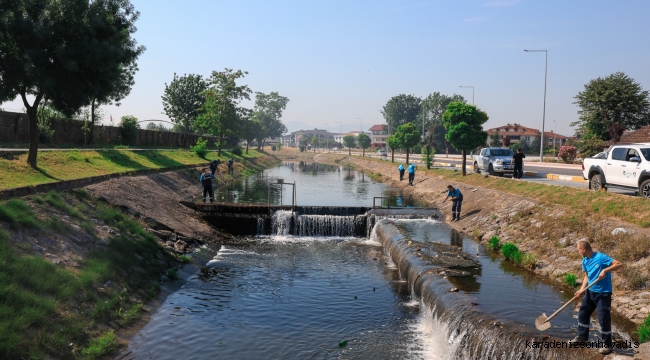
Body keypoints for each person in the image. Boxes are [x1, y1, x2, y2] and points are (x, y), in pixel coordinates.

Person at [570, 240, 623, 355]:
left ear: (583, 249)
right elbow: (586, 276)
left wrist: (605, 270)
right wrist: (581, 290)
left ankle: (607, 345)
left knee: (603, 318)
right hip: (590, 291)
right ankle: (582, 337)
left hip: (603, 293)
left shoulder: (600, 257)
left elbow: (619, 264)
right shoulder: (584, 260)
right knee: (583, 313)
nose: (578, 252)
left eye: (578, 250)